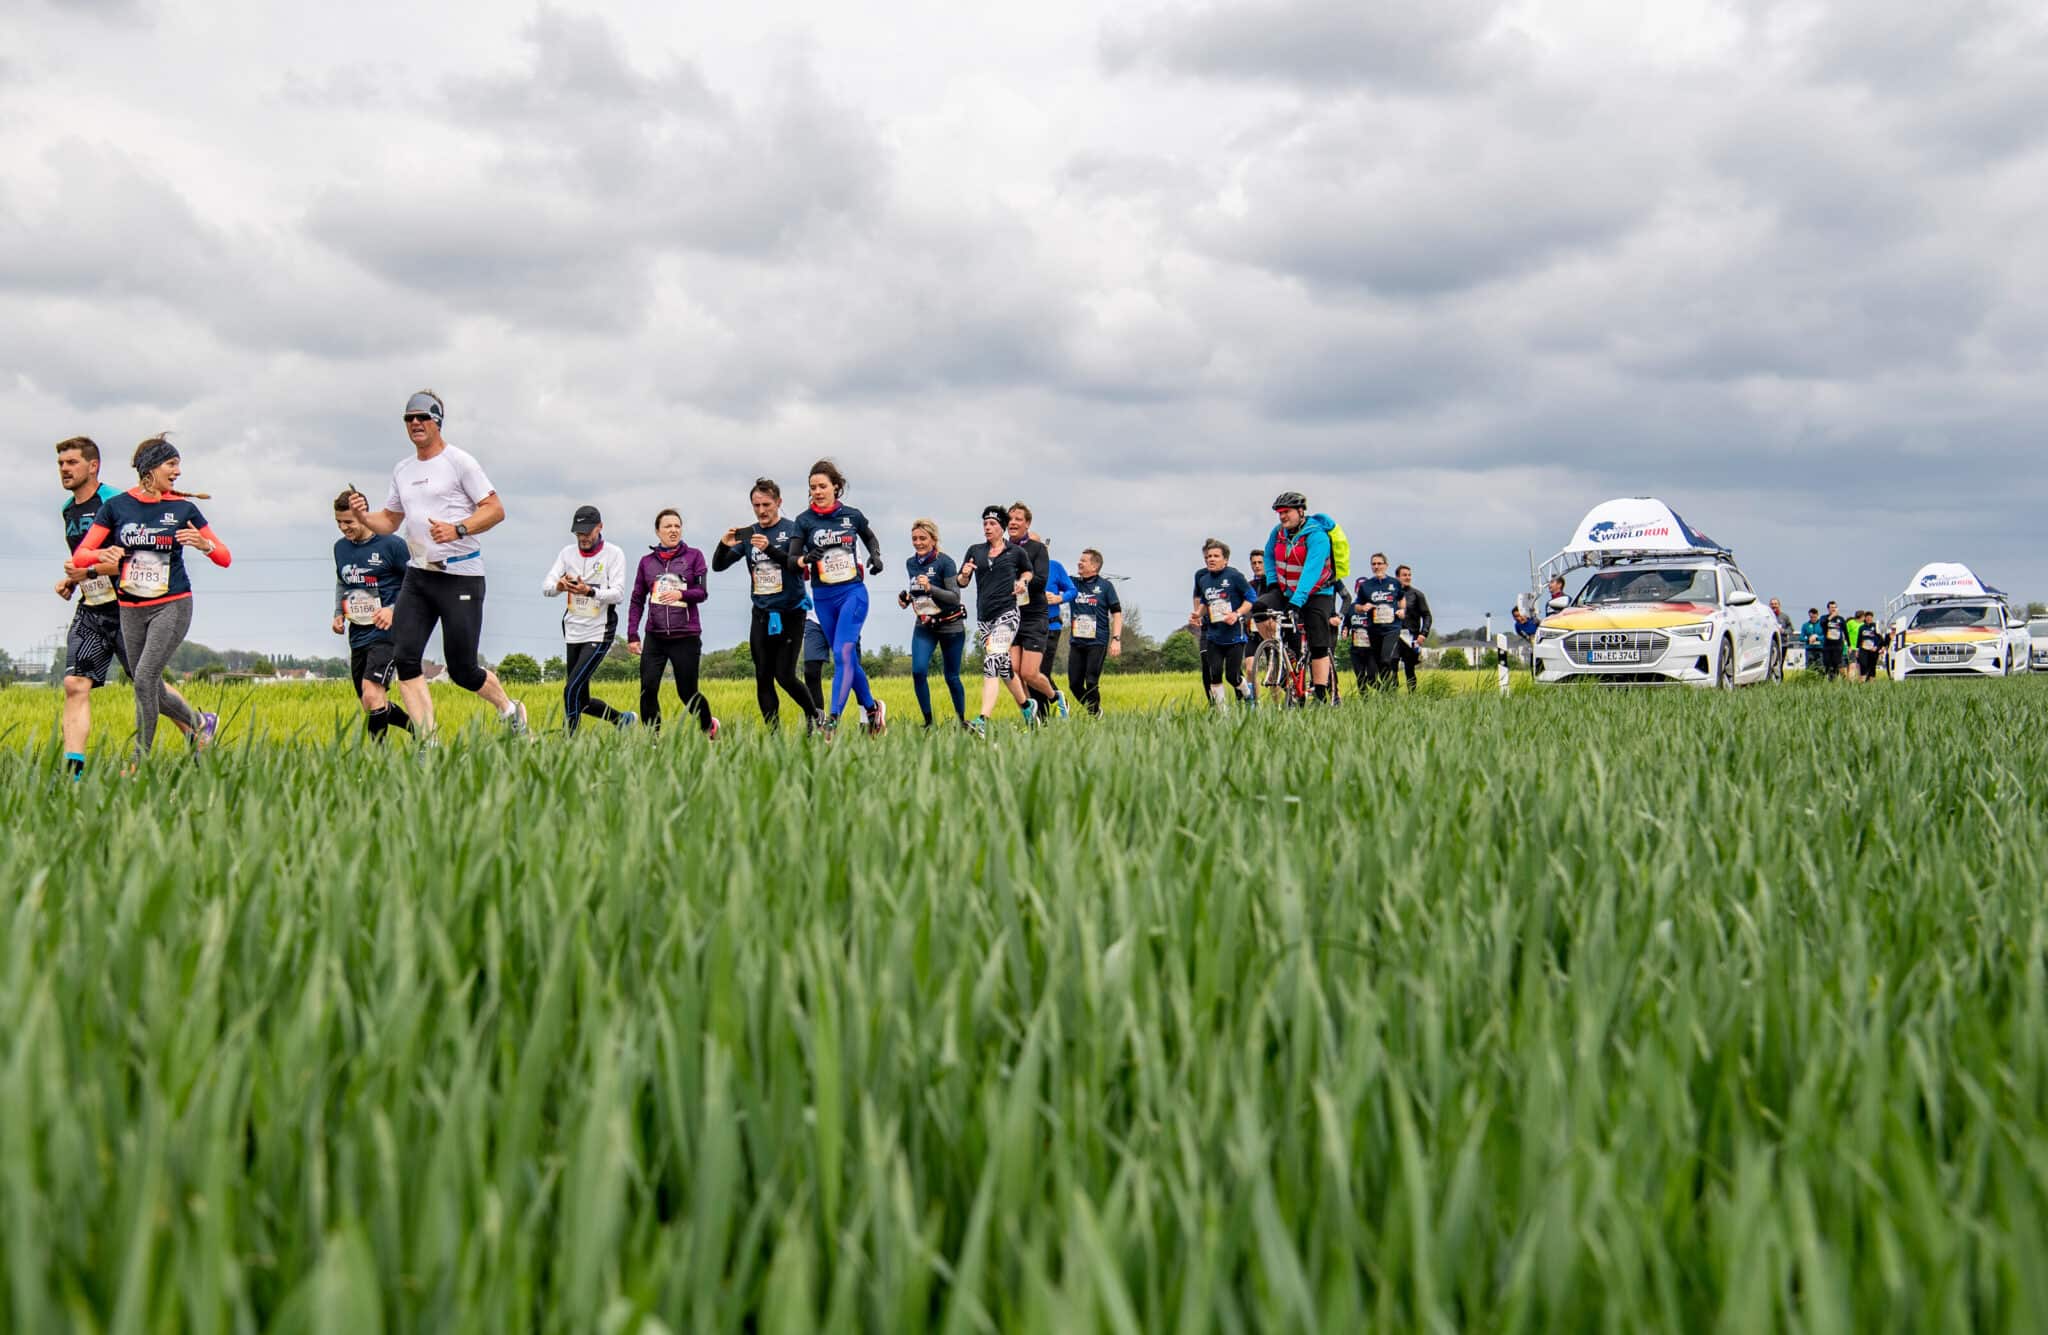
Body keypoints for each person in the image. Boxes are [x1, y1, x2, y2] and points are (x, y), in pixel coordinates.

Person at [348, 390, 527, 737]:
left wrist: (458, 529)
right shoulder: (403, 469)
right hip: (419, 576)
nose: (415, 423)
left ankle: (510, 710)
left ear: (437, 421)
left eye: (422, 417)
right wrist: (363, 517)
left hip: (460, 575)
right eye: (409, 418)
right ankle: (427, 743)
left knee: (462, 670)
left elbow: (495, 510)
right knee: (406, 659)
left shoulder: (460, 462)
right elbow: (389, 521)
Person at [69, 435, 232, 763]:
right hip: (130, 608)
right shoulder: (116, 507)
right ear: (150, 468)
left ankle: (138, 762)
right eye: (171, 464)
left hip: (172, 603)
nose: (178, 472)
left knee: (143, 678)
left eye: (178, 465)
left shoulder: (183, 509)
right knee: (150, 685)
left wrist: (205, 545)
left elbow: (224, 557)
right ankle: (201, 723)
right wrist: (102, 553)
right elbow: (81, 555)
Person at [712, 477, 818, 732]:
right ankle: (773, 735)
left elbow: (797, 566)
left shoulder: (793, 530)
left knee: (785, 675)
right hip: (761, 613)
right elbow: (718, 566)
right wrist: (723, 545)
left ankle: (814, 716)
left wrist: (769, 548)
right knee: (763, 676)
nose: (761, 511)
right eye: (756, 505)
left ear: (778, 502)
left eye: (766, 505)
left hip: (791, 613)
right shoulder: (749, 534)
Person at [794, 460, 887, 736]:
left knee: (843, 653)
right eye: (813, 487)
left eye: (822, 486)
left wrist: (876, 556)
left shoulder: (852, 516)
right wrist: (804, 559)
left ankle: (832, 719)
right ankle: (872, 708)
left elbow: (870, 538)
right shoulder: (804, 521)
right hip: (823, 598)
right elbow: (792, 558)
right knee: (846, 659)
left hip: (852, 593)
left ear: (836, 486)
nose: (817, 492)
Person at [331, 487, 414, 742]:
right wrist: (338, 613)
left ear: (363, 515)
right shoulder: (340, 548)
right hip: (358, 633)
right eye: (339, 522)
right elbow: (343, 581)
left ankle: (378, 759)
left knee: (372, 692)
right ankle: (419, 729)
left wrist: (392, 609)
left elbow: (415, 582)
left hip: (388, 631)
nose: (343, 528)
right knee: (370, 702)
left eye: (349, 522)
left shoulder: (393, 545)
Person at [627, 508, 717, 738]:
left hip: (685, 636)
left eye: (677, 526)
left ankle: (708, 726)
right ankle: (653, 739)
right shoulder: (646, 563)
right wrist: (632, 634)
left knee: (687, 693)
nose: (673, 530)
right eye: (668, 526)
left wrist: (681, 595)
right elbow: (637, 599)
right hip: (655, 637)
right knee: (648, 688)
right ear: (658, 532)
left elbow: (702, 592)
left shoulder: (694, 556)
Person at [542, 505, 632, 734]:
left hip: (599, 631)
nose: (583, 537)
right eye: (578, 533)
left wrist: (590, 591)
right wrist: (560, 586)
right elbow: (546, 587)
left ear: (599, 527)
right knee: (581, 700)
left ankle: (568, 742)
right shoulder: (566, 553)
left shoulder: (614, 554)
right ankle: (622, 720)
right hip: (573, 630)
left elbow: (618, 594)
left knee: (570, 689)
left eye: (587, 532)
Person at [958, 504, 1035, 736]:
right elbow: (961, 582)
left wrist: (1023, 582)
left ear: (1002, 527)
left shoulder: (1016, 552)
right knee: (1003, 667)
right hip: (985, 618)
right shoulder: (975, 551)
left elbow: (1028, 571)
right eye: (985, 524)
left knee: (991, 660)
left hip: (1008, 614)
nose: (987, 527)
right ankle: (1027, 707)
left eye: (992, 523)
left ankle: (982, 721)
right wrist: (964, 574)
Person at [1256, 492, 1340, 702]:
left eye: (1287, 512)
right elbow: (1269, 556)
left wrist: (1296, 602)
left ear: (1301, 511)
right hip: (1286, 590)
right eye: (1280, 513)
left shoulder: (1318, 536)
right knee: (1259, 609)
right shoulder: (1278, 533)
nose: (1282, 516)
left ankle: (1320, 694)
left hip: (1317, 593)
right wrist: (1273, 584)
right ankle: (1277, 652)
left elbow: (1311, 572)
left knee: (1318, 643)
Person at [899, 519, 968, 729]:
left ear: (933, 539)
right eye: (914, 539)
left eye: (923, 538)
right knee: (918, 672)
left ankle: (962, 721)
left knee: (951, 676)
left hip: (951, 625)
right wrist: (906, 599)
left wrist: (931, 589)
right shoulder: (910, 563)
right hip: (925, 625)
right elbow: (916, 591)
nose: (918, 543)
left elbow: (954, 597)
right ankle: (928, 723)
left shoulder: (945, 562)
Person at [1006, 504, 1067, 720]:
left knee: (1029, 673)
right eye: (1010, 519)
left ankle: (1055, 697)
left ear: (1027, 523)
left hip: (1033, 617)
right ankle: (1032, 719)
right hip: (1011, 616)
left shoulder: (1037, 549)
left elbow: (1040, 580)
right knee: (1012, 671)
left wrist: (1022, 583)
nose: (1013, 522)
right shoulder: (1001, 549)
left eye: (1018, 519)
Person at [1190, 539, 1255, 709]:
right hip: (1214, 636)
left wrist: (1237, 614)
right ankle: (1222, 714)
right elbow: (1205, 602)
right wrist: (1198, 614)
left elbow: (1251, 598)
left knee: (1232, 676)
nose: (1211, 559)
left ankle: (1248, 695)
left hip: (1234, 635)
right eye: (1208, 556)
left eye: (1216, 556)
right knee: (1215, 674)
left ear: (1225, 559)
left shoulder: (1234, 576)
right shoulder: (1204, 579)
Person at [1065, 547, 1121, 715]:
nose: (1079, 563)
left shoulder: (1106, 586)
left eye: (1083, 561)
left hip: (1097, 641)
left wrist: (1116, 639)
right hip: (1077, 642)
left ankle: (1094, 715)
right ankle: (1095, 711)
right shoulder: (1072, 583)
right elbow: (1051, 577)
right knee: (1074, 684)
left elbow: (1117, 613)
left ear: (1095, 566)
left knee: (1091, 681)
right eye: (1079, 560)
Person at [1395, 564, 1432, 691]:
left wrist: (1423, 633)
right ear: (1397, 577)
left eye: (1409, 575)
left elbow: (1427, 615)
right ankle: (1391, 696)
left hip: (1411, 636)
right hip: (1393, 635)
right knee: (1391, 665)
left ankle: (1412, 696)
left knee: (1409, 668)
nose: (1407, 577)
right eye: (1404, 575)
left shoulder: (1417, 595)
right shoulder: (1391, 594)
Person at [1043, 539, 1077, 675]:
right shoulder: (1019, 570)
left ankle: (1052, 690)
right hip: (1025, 628)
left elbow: (1072, 591)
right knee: (1024, 674)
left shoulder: (1054, 567)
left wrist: (1059, 598)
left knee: (1041, 673)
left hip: (1050, 627)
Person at [1820, 601, 1847, 679]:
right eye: (1831, 607)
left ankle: (1833, 679)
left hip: (1838, 645)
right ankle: (1827, 676)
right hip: (1827, 645)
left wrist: (1849, 645)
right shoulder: (1824, 618)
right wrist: (1831, 617)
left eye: (1835, 607)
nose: (1833, 609)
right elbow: (1823, 624)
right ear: (1828, 609)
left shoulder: (1840, 619)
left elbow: (1845, 631)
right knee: (1827, 662)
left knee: (1836, 663)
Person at [1856, 610, 1885, 681]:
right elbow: (1859, 639)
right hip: (1864, 649)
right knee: (1863, 664)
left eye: (1870, 617)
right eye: (1867, 617)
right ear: (1865, 618)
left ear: (1872, 618)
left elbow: (1880, 639)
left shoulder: (1875, 626)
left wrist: (1877, 647)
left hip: (1873, 650)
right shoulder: (1862, 627)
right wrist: (1857, 650)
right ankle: (1862, 680)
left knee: (1872, 666)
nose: (1869, 619)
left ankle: (1871, 682)